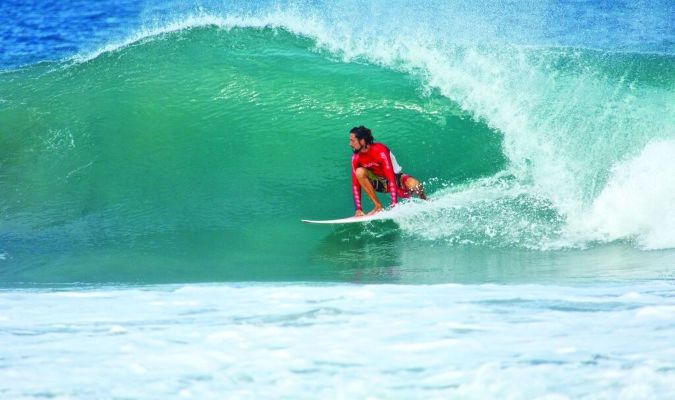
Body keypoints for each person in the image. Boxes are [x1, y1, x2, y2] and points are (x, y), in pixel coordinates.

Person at [349, 125, 426, 217]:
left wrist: (394, 205)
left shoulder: (380, 151)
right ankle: (378, 206)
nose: (350, 144)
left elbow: (391, 178)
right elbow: (355, 185)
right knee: (359, 172)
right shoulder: (355, 158)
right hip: (379, 182)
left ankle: (425, 201)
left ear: (362, 141)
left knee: (416, 185)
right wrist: (358, 209)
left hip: (395, 179)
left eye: (352, 141)